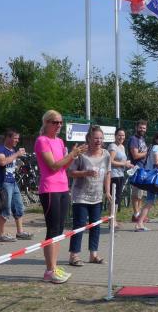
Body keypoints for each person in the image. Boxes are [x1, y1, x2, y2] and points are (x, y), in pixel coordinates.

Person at [36, 110, 87, 283]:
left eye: (60, 122)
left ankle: (54, 266)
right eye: (55, 122)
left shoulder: (59, 141)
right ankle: (49, 270)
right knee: (52, 230)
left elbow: (64, 166)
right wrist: (71, 155)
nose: (59, 125)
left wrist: (73, 155)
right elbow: (53, 166)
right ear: (46, 123)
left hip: (63, 187)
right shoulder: (42, 141)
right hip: (49, 189)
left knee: (59, 230)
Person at [68, 125, 111, 266]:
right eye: (96, 138)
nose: (99, 141)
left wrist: (107, 191)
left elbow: (108, 173)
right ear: (89, 138)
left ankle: (93, 254)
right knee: (79, 225)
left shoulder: (106, 154)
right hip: (80, 195)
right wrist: (86, 173)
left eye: (101, 138)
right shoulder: (82, 153)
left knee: (95, 226)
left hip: (97, 196)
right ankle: (74, 255)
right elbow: (71, 172)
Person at [0, 129, 33, 242]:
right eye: (15, 138)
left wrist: (19, 163)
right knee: (5, 208)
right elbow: (2, 162)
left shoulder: (13, 150)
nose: (17, 140)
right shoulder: (0, 148)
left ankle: (20, 232)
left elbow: (11, 165)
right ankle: (1, 234)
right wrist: (16, 154)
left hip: (13, 181)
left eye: (18, 138)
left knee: (18, 206)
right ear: (8, 137)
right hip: (4, 182)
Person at [107, 128, 130, 229]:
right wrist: (124, 164)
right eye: (119, 135)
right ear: (115, 136)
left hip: (120, 175)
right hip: (113, 175)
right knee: (114, 198)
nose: (121, 137)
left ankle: (114, 220)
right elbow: (110, 161)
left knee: (117, 199)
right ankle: (112, 221)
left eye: (123, 135)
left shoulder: (122, 147)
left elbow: (122, 161)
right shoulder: (113, 146)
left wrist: (127, 164)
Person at [128, 120, 149, 223]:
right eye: (140, 127)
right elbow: (135, 155)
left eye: (144, 128)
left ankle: (138, 214)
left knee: (141, 194)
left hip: (143, 169)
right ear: (136, 127)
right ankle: (136, 214)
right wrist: (146, 153)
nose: (142, 129)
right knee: (136, 194)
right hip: (136, 169)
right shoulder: (133, 139)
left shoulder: (142, 139)